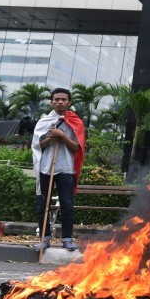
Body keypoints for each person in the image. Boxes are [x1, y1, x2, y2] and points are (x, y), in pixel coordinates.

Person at [31, 88, 86, 252]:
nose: (60, 102)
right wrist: (50, 137)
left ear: (69, 102)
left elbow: (77, 147)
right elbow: (37, 146)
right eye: (57, 99)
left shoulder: (75, 122)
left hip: (65, 169)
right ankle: (44, 238)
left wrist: (62, 136)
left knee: (67, 205)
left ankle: (67, 239)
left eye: (63, 99)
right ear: (52, 102)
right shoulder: (44, 121)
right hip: (46, 167)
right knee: (43, 204)